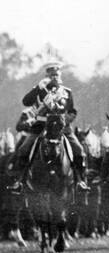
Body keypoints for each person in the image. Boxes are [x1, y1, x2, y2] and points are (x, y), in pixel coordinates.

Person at [10, 62, 89, 191]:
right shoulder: (40, 89)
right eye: (52, 75)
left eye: (57, 75)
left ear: (60, 76)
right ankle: (20, 181)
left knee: (79, 151)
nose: (54, 78)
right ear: (46, 76)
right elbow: (26, 102)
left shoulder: (67, 92)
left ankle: (80, 180)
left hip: (61, 128)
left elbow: (72, 110)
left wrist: (66, 120)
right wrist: (37, 88)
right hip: (41, 126)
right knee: (24, 149)